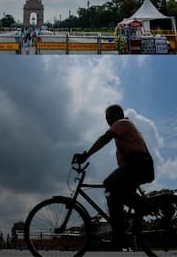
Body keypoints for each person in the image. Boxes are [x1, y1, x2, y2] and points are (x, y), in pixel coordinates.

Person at [73, 105, 155, 250]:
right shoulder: (123, 129)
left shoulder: (122, 123)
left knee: (109, 183)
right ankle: (120, 233)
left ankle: (142, 207)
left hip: (138, 166)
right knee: (114, 195)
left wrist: (86, 155)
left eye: (108, 117)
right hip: (137, 167)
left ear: (116, 115)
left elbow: (105, 138)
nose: (107, 120)